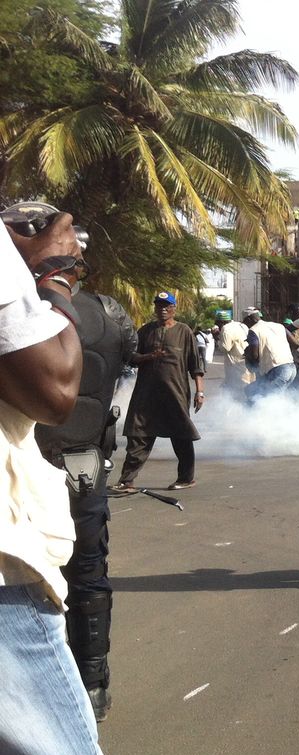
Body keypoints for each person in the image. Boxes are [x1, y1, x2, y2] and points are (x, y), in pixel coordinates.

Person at [0, 216, 190, 755]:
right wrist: (47, 280)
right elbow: (59, 387)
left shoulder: (134, 326)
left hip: (63, 486)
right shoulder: (97, 312)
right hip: (42, 514)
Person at [34, 263, 136, 722]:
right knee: (89, 571)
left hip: (25, 463)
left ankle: (46, 691)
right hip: (86, 465)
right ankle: (93, 687)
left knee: (22, 581)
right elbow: (126, 361)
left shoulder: (18, 309)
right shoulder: (110, 313)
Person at [114, 292, 204, 492]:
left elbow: (195, 366)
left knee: (181, 435)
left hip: (175, 394)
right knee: (139, 434)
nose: (162, 309)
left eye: (167, 306)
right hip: (146, 395)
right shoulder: (145, 331)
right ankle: (126, 480)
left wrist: (200, 392)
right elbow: (132, 358)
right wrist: (149, 356)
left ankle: (186, 478)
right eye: (159, 306)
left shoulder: (184, 332)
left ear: (174, 308)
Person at [242, 309, 296, 401]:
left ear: (249, 320)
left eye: (245, 323)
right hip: (291, 368)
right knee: (252, 390)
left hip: (277, 370)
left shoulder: (253, 330)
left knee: (264, 400)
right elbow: (295, 343)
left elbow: (255, 355)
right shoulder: (278, 326)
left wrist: (247, 353)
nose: (246, 326)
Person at [218, 310, 252, 398]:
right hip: (247, 364)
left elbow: (225, 348)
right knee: (247, 391)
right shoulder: (241, 325)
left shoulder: (226, 328)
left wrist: (218, 339)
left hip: (235, 367)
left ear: (221, 322)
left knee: (235, 394)